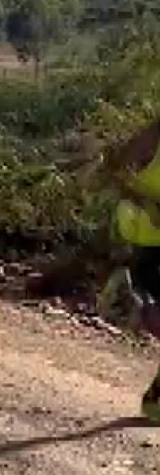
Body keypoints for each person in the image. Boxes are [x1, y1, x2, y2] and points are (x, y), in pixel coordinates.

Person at [88, 117, 160, 422]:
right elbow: (113, 172)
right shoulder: (155, 134)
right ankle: (131, 304)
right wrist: (148, 202)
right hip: (149, 237)